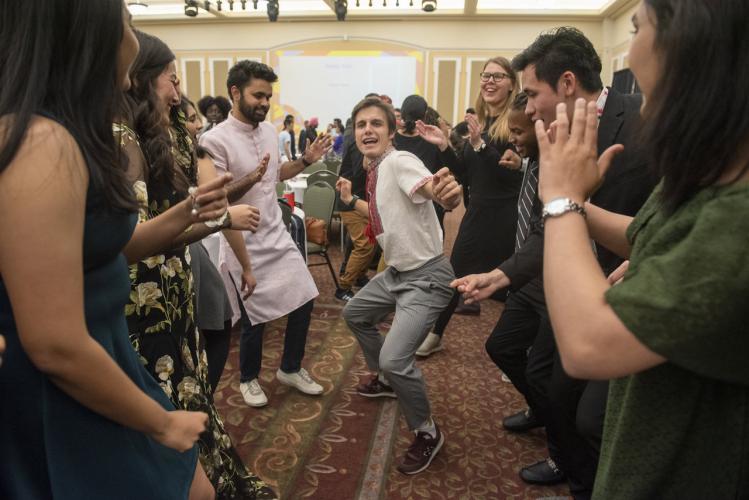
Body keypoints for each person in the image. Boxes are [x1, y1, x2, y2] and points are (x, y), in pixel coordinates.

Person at [0, 1, 227, 498]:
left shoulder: (61, 133)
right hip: (65, 388)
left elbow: (107, 251)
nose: (132, 34)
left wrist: (192, 209)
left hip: (107, 357)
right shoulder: (41, 142)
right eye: (127, 21)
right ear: (91, 34)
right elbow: (53, 342)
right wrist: (160, 423)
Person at [527, 2, 748, 497]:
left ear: (690, 43)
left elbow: (587, 344)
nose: (628, 51)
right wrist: (578, 203)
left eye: (636, 27)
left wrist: (561, 199)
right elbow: (646, 234)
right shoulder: (717, 173)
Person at [123, 32, 276, 499]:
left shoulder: (163, 135)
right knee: (170, 390)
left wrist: (231, 193)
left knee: (191, 384)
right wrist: (215, 215)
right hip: (144, 291)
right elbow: (144, 234)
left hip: (173, 279)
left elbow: (196, 206)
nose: (178, 93)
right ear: (144, 80)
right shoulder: (121, 138)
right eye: (171, 80)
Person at [338, 97, 463, 475]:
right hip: (397, 274)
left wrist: (442, 191)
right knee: (355, 313)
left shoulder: (399, 161)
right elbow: (384, 213)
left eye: (376, 124)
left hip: (426, 278)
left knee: (397, 358)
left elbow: (425, 186)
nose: (368, 131)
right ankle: (386, 379)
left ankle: (427, 431)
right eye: (361, 125)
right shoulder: (378, 170)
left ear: (392, 132)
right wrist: (351, 200)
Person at [200, 60, 333, 408]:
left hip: (276, 232)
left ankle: (290, 368)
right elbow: (216, 203)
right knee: (254, 317)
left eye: (268, 97)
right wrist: (244, 265)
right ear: (235, 92)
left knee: (304, 298)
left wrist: (305, 160)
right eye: (257, 95)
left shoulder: (271, 132)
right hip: (241, 239)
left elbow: (275, 176)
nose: (264, 102)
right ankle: (248, 378)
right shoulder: (214, 141)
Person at [415, 56, 524, 357]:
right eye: (485, 75)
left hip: (506, 217)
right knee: (456, 274)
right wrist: (443, 146)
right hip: (477, 216)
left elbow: (508, 174)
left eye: (498, 76)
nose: (489, 81)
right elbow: (464, 173)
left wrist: (479, 145)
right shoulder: (481, 126)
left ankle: (517, 346)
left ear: (512, 84)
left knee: (512, 284)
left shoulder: (516, 123)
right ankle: (436, 334)